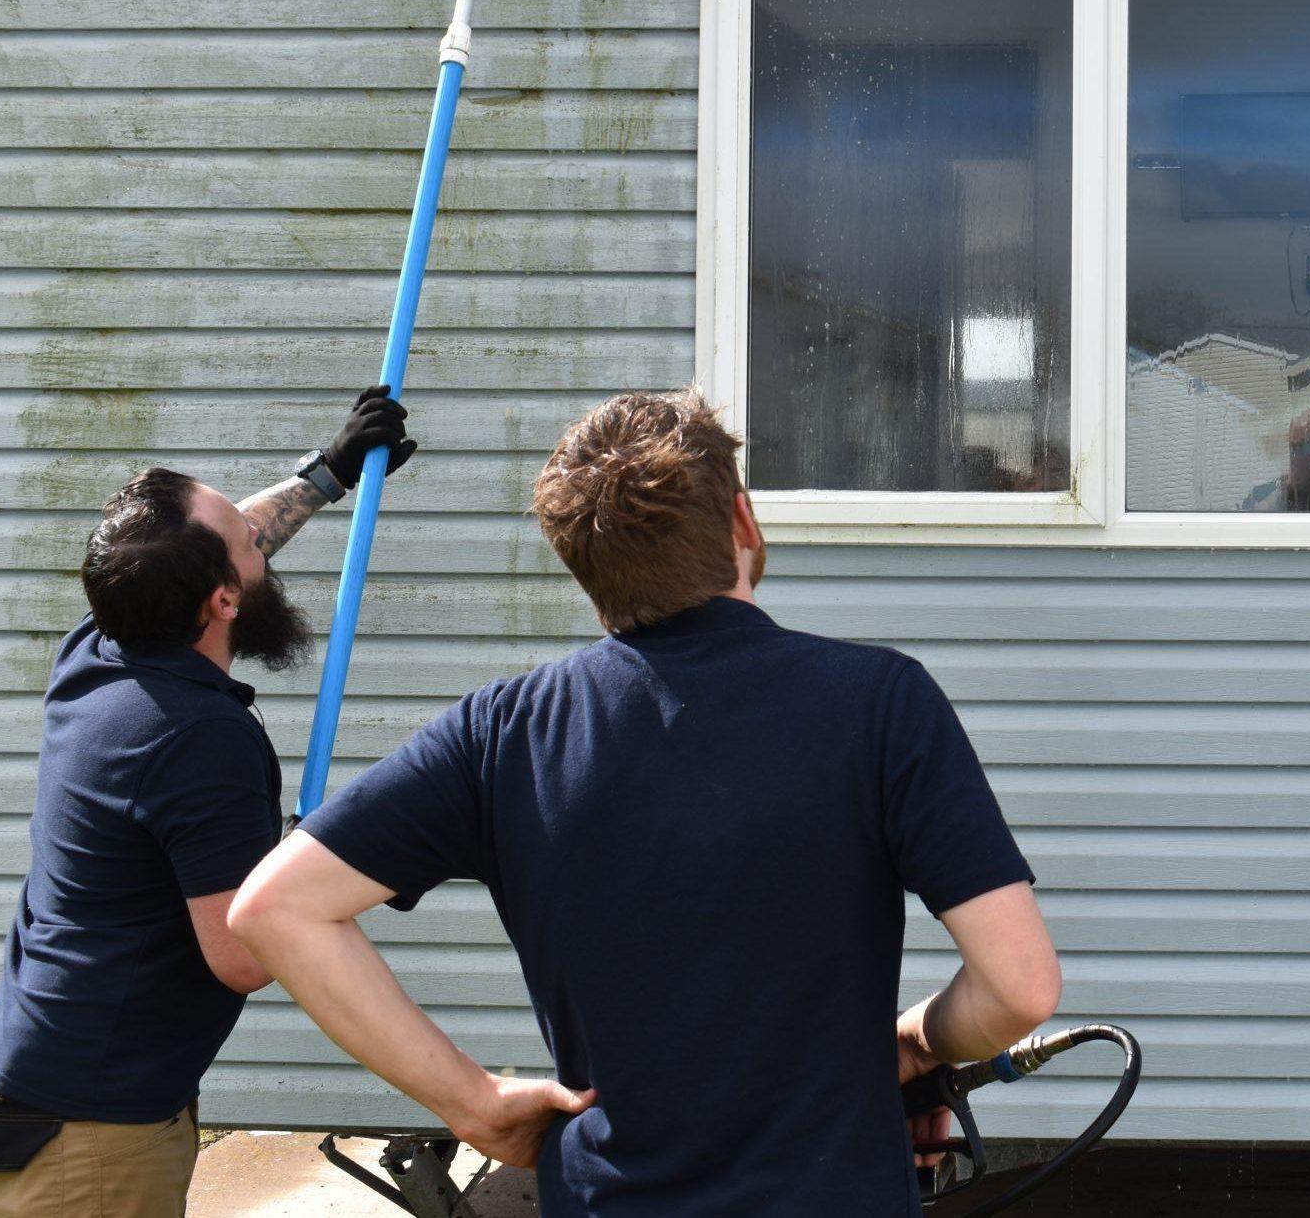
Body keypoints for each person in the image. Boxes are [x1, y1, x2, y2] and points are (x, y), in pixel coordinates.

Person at [229, 388, 1060, 1216]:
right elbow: (1019, 987)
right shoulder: (882, 703)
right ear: (742, 521)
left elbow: (276, 908)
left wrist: (472, 1102)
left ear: (580, 562)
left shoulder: (505, 732)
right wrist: (915, 1044)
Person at [0, 389, 417, 1218]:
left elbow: (210, 540)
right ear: (222, 602)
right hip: (91, 1134)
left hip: (58, 1085)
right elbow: (244, 950)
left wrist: (327, 472)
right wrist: (338, 851)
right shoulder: (196, 739)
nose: (259, 537)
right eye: (249, 544)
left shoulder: (102, 646)